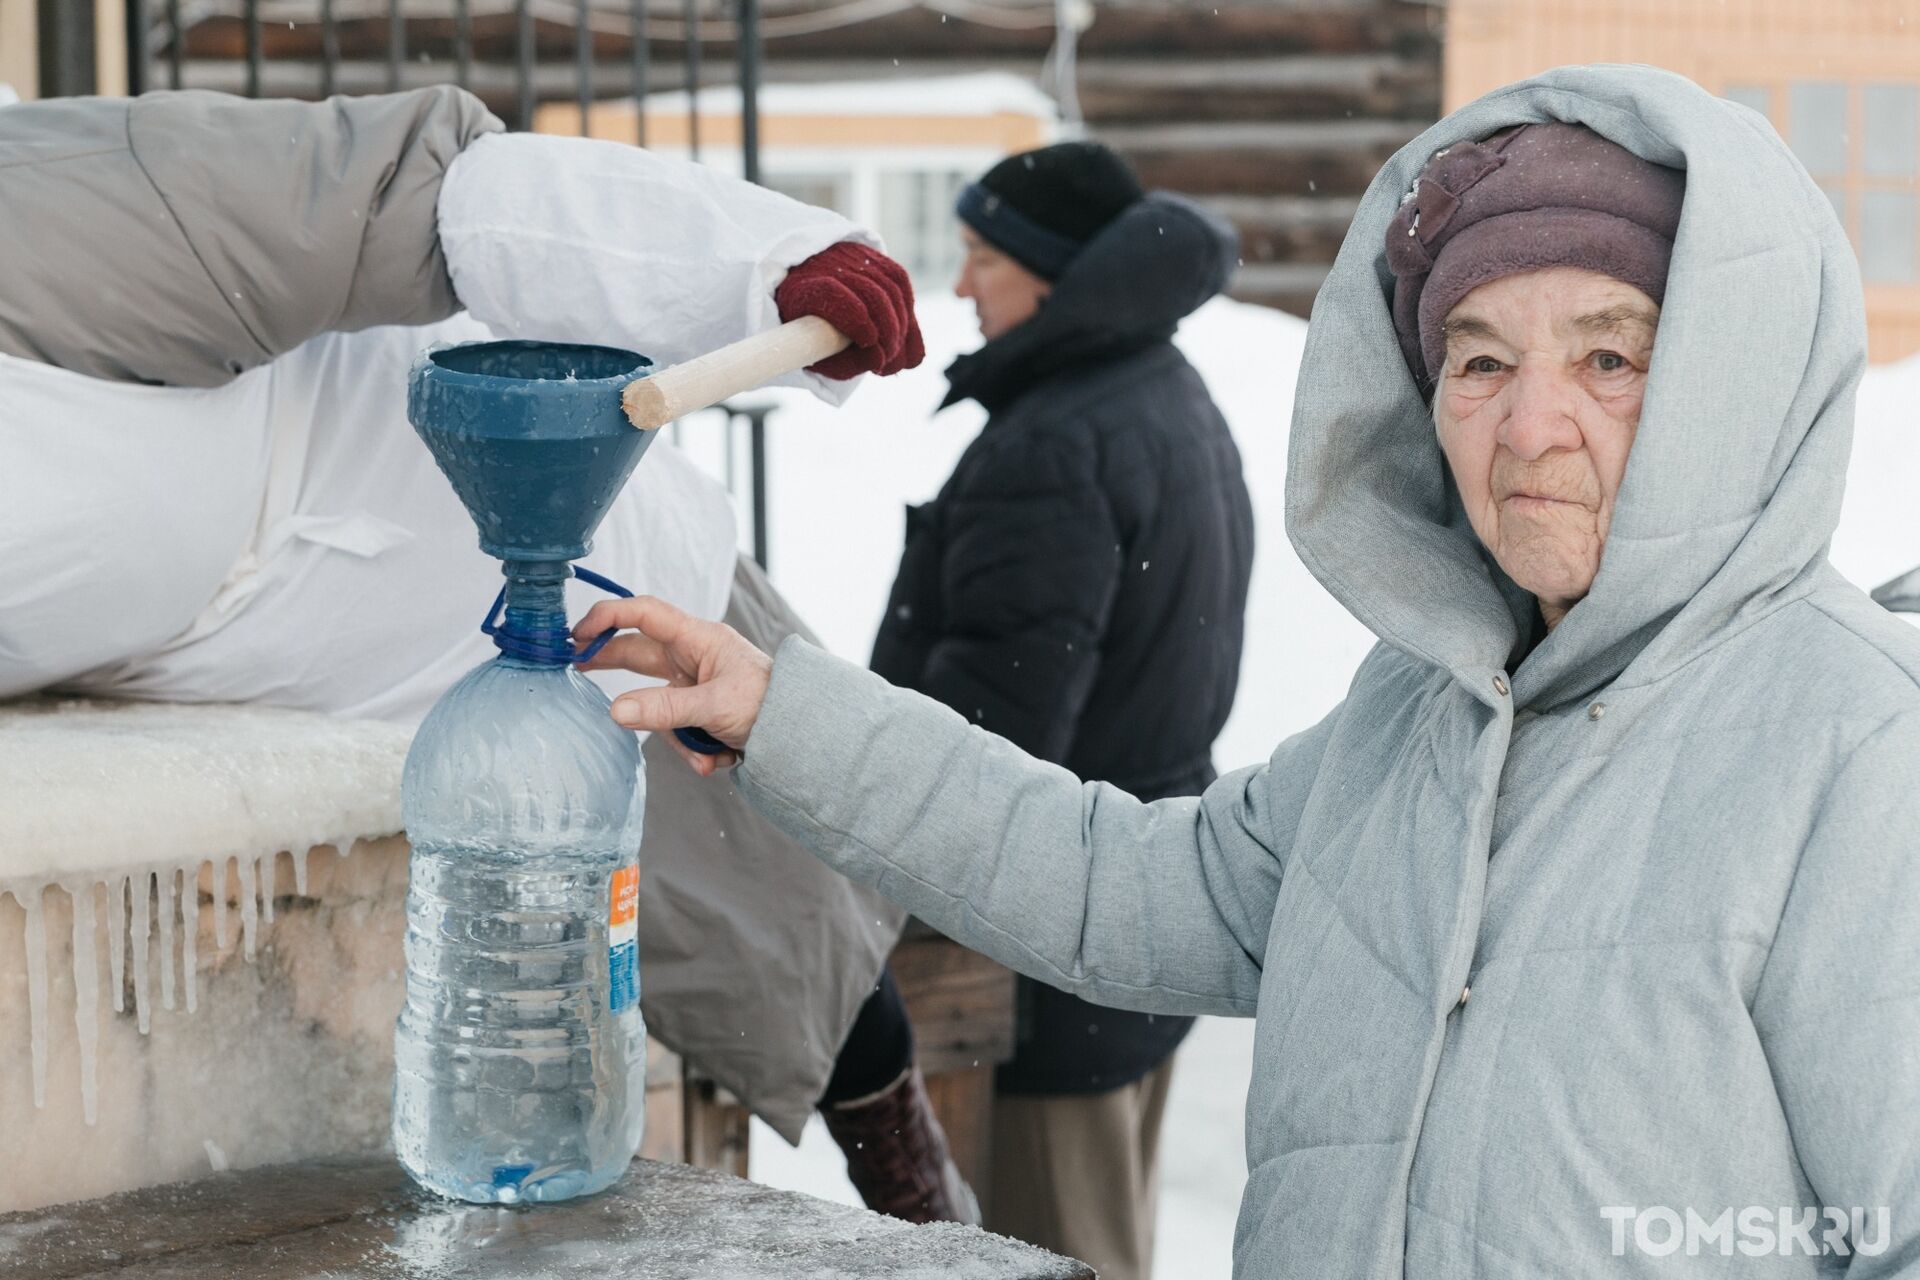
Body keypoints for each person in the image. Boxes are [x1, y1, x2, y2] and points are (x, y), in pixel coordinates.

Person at [580, 63, 1920, 1277]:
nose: (1530, 428)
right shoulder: (1422, 717)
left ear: (1721, 384)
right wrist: (784, 709)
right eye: (1482, 360)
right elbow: (1121, 882)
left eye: (1609, 357)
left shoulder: (1860, 757)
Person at [0, 85, 926, 1149]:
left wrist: (762, 270)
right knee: (544, 1003)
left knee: (798, 938)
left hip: (566, 554)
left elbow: (420, 189)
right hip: (339, 690)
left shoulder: (42, 213)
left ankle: (912, 1163)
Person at [816, 141, 1253, 1269]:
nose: (960, 285)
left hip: (1052, 952)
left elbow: (989, 738)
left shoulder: (1054, 445)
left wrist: (845, 794)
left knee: (1045, 1250)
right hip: (1135, 915)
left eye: (981, 257)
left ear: (1054, 274)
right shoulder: (1157, 389)